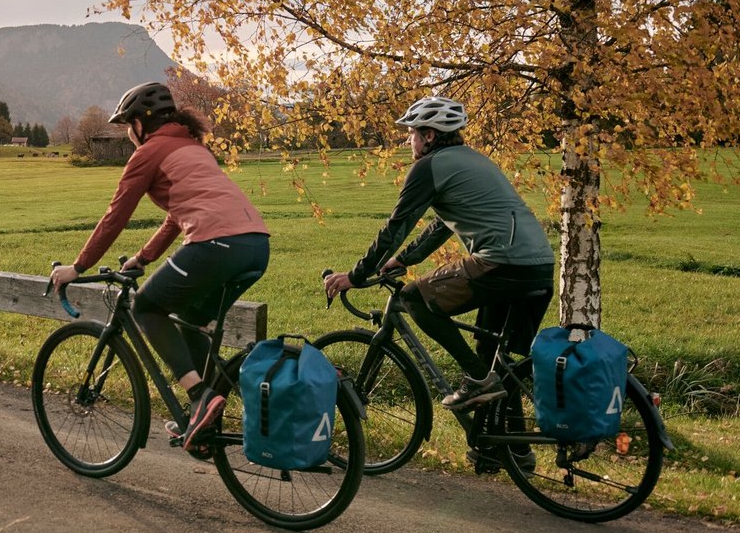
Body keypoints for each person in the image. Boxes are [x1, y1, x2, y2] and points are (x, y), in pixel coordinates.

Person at [50, 81, 271, 452]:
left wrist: (78, 266)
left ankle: (199, 397)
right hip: (256, 245)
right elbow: (174, 218)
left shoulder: (149, 152)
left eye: (128, 125)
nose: (128, 133)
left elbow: (115, 216)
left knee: (146, 307)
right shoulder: (194, 147)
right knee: (191, 316)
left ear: (140, 124)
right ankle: (206, 425)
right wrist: (142, 258)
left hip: (215, 244)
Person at [323, 95, 555, 416]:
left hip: (501, 263)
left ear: (429, 135)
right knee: (494, 359)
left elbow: (396, 227)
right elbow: (441, 226)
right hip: (539, 266)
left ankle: (477, 379)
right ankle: (503, 438)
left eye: (412, 133)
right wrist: (403, 260)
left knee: (413, 298)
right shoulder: (473, 160)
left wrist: (356, 275)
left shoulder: (428, 167)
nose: (409, 140)